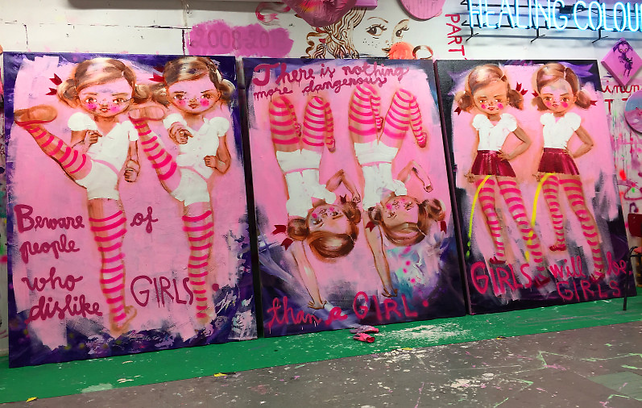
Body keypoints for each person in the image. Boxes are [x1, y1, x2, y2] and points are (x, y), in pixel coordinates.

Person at [14, 57, 144, 334]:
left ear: (131, 94)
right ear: (78, 95)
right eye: (93, 98)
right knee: (74, 160)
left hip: (106, 189)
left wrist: (132, 168)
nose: (105, 104)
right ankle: (33, 126)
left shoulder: (128, 127)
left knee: (112, 256)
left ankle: (118, 314)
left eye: (117, 98)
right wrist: (85, 142)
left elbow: (133, 159)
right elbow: (74, 152)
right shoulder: (82, 119)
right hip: (89, 169)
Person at [127, 56, 234, 323]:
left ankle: (202, 305)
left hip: (197, 192)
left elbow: (225, 162)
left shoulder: (218, 126)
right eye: (181, 95)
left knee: (200, 253)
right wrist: (176, 130)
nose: (194, 101)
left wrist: (216, 163)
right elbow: (172, 123)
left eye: (205, 94)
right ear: (169, 95)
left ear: (218, 93)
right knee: (162, 161)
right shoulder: (173, 118)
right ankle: (141, 127)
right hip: (180, 177)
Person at [455, 64, 551, 287]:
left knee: (518, 213)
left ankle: (539, 263)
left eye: (497, 99)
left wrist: (510, 154)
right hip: (481, 164)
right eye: (483, 100)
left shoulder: (508, 121)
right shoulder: (479, 121)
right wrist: (471, 169)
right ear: (474, 100)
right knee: (489, 210)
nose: (490, 104)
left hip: (500, 164)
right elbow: (478, 145)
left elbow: (526, 141)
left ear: (507, 98)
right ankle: (500, 251)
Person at [349, 84, 442, 297]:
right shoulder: (397, 186)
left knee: (363, 93)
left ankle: (374, 116)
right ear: (416, 201)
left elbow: (378, 253)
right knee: (404, 97)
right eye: (407, 205)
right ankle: (414, 131)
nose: (398, 205)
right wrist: (425, 180)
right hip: (386, 152)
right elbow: (412, 165)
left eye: (392, 214)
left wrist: (388, 287)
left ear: (383, 219)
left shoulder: (371, 209)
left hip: (365, 151)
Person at [269, 94, 361, 309]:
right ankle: (306, 126)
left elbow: (304, 264)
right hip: (312, 157)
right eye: (335, 214)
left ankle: (292, 122)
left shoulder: (298, 216)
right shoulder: (325, 197)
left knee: (278, 105)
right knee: (317, 105)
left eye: (319, 222)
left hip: (288, 160)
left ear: (309, 232)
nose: (325, 214)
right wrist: (354, 191)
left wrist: (317, 300)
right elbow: (341, 175)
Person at [532, 62, 605, 280]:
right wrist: (538, 167)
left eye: (563, 98)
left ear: (574, 97)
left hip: (563, 162)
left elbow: (588, 143)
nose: (555, 102)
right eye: (548, 98)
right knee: (552, 204)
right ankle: (560, 240)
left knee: (579, 209)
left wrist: (571, 155)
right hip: (546, 162)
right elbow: (544, 145)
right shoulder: (545, 118)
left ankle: (598, 262)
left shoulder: (572, 119)